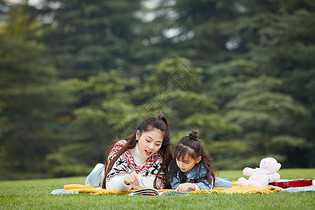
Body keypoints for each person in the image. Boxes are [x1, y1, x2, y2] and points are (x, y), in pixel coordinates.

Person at [85, 113, 173, 191]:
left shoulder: (160, 157)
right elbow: (111, 183)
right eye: (148, 140)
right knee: (96, 178)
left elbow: (158, 184)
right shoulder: (120, 148)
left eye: (157, 144)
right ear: (138, 135)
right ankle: (99, 168)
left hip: (126, 176)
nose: (151, 147)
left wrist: (132, 181)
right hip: (99, 177)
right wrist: (125, 180)